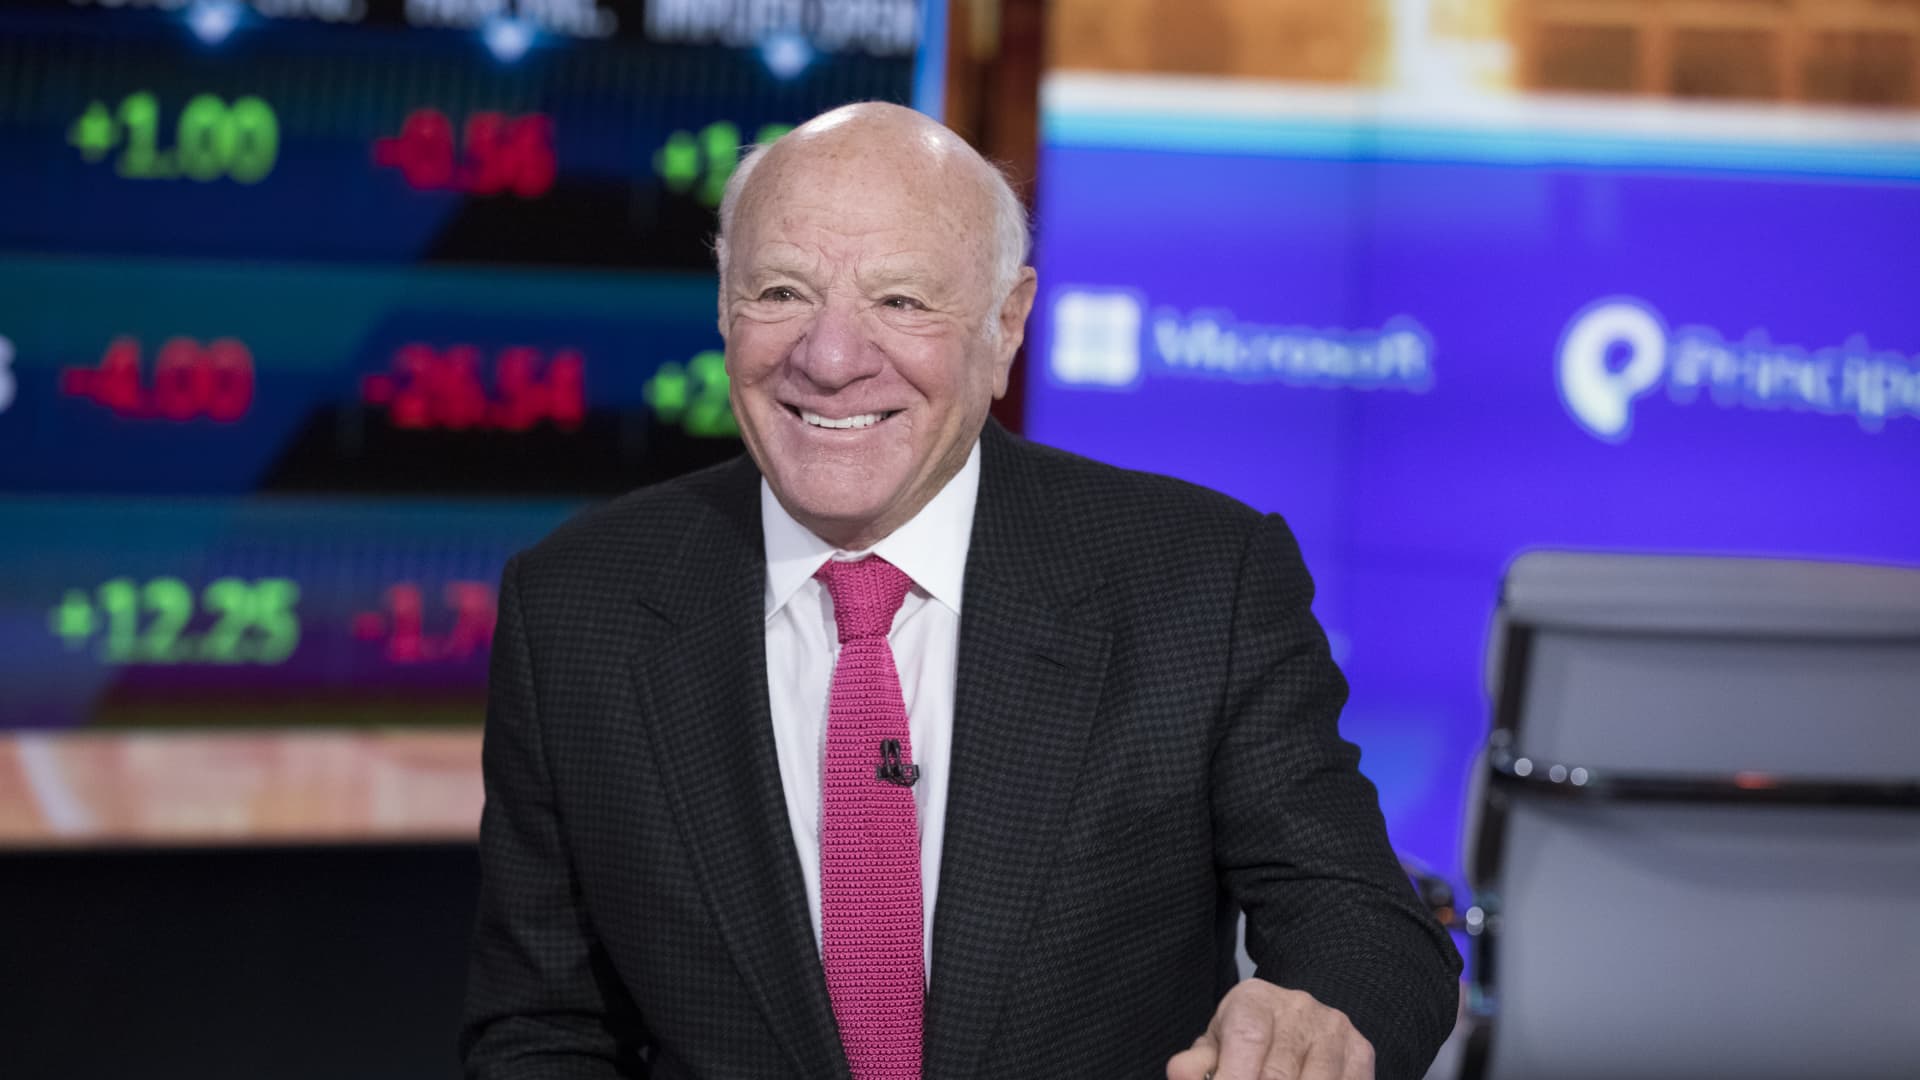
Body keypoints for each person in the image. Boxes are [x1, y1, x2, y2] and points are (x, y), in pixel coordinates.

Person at [460, 102, 1460, 1080]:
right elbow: (542, 1031)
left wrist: (1315, 1022)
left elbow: (1364, 924)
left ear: (1006, 323)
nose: (831, 358)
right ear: (725, 307)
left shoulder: (1202, 580)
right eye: (781, 293)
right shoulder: (575, 609)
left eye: (900, 301)